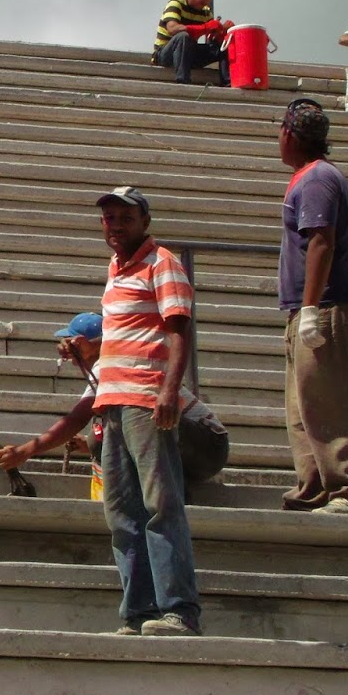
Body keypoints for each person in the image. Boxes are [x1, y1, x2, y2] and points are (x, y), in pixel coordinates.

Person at [89, 187, 202, 636]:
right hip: (112, 402)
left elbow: (178, 331)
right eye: (108, 218)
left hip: (145, 400)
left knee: (161, 505)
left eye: (124, 218)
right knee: (120, 512)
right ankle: (138, 612)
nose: (114, 225)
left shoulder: (163, 263)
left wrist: (170, 392)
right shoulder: (115, 269)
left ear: (145, 222)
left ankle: (179, 609)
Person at [277, 99, 348, 515]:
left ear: (289, 135)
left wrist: (313, 308)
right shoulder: (312, 176)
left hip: (328, 306)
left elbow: (321, 240)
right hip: (310, 306)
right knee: (305, 406)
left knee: (332, 402)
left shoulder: (317, 179)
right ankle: (315, 486)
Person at [0, 312, 229, 488]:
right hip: (198, 450)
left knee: (104, 432)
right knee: (98, 437)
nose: (65, 348)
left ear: (82, 342)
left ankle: (161, 500)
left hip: (206, 443)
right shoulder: (108, 366)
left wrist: (25, 451)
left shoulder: (109, 365)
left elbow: (76, 419)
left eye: (70, 341)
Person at [152, 0, 234, 86]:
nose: (205, 2)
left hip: (188, 54)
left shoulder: (206, 12)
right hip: (164, 54)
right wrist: (205, 27)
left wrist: (223, 30)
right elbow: (172, 29)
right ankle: (183, 81)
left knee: (223, 46)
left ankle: (227, 82)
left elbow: (212, 35)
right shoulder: (176, 3)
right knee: (183, 36)